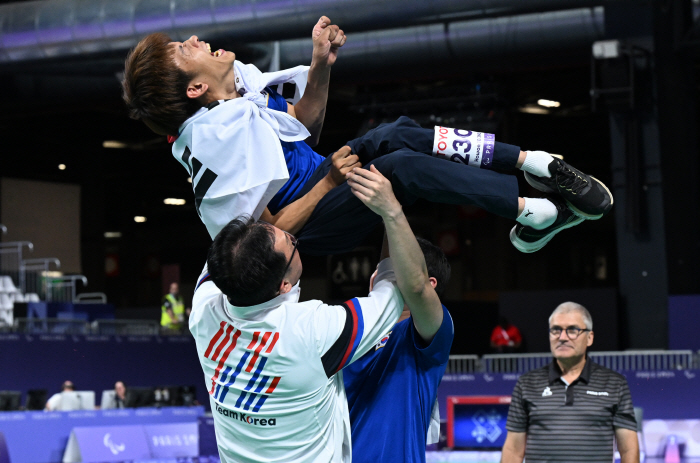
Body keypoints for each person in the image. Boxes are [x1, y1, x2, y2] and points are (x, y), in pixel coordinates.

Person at [121, 19, 613, 256]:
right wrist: (333, 181)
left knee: (393, 132)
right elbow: (271, 234)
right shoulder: (214, 140)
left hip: (324, 176)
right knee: (399, 168)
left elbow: (304, 127)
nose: (193, 40)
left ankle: (536, 162)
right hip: (311, 227)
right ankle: (531, 213)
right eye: (183, 50)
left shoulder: (240, 94)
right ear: (196, 87)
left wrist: (319, 64)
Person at [188, 164, 436, 461]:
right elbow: (398, 289)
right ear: (283, 285)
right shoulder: (312, 331)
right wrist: (391, 211)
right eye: (291, 243)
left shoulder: (205, 310)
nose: (291, 234)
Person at [343, 235, 453, 463]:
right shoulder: (346, 331)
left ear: (429, 285)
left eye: (392, 271)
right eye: (380, 269)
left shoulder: (427, 336)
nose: (378, 275)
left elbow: (417, 290)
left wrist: (391, 212)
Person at [500, 302, 639, 463]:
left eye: (572, 330)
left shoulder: (615, 383)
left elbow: (628, 449)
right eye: (555, 330)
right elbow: (513, 450)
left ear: (589, 338)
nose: (562, 337)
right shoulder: (526, 384)